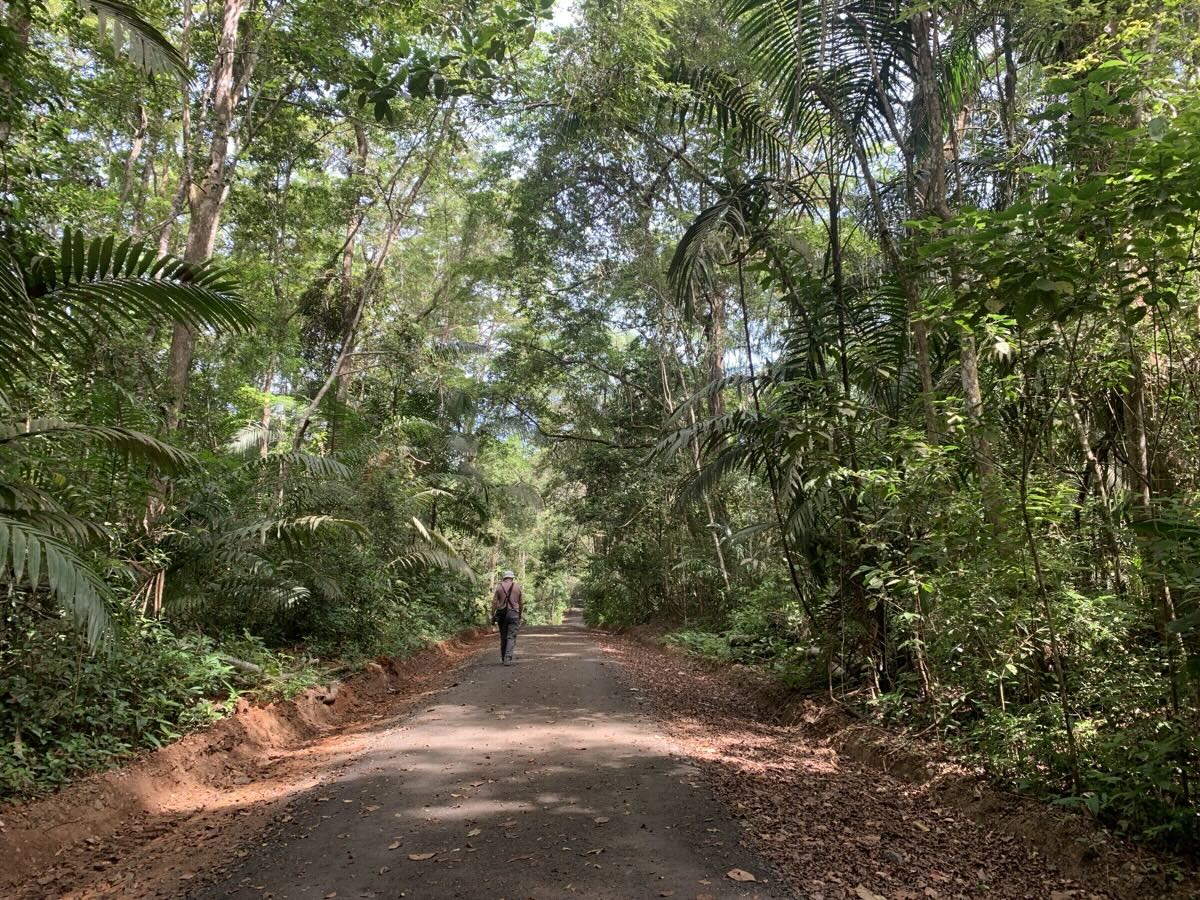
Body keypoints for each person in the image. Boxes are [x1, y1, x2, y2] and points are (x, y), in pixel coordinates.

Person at [492, 570, 523, 665]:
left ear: (504, 578)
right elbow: (521, 603)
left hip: (501, 614)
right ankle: (507, 659)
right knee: (511, 636)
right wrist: (520, 614)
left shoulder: (499, 587)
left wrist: (492, 615)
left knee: (503, 636)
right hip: (514, 614)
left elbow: (494, 603)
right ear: (512, 578)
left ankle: (503, 657)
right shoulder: (517, 587)